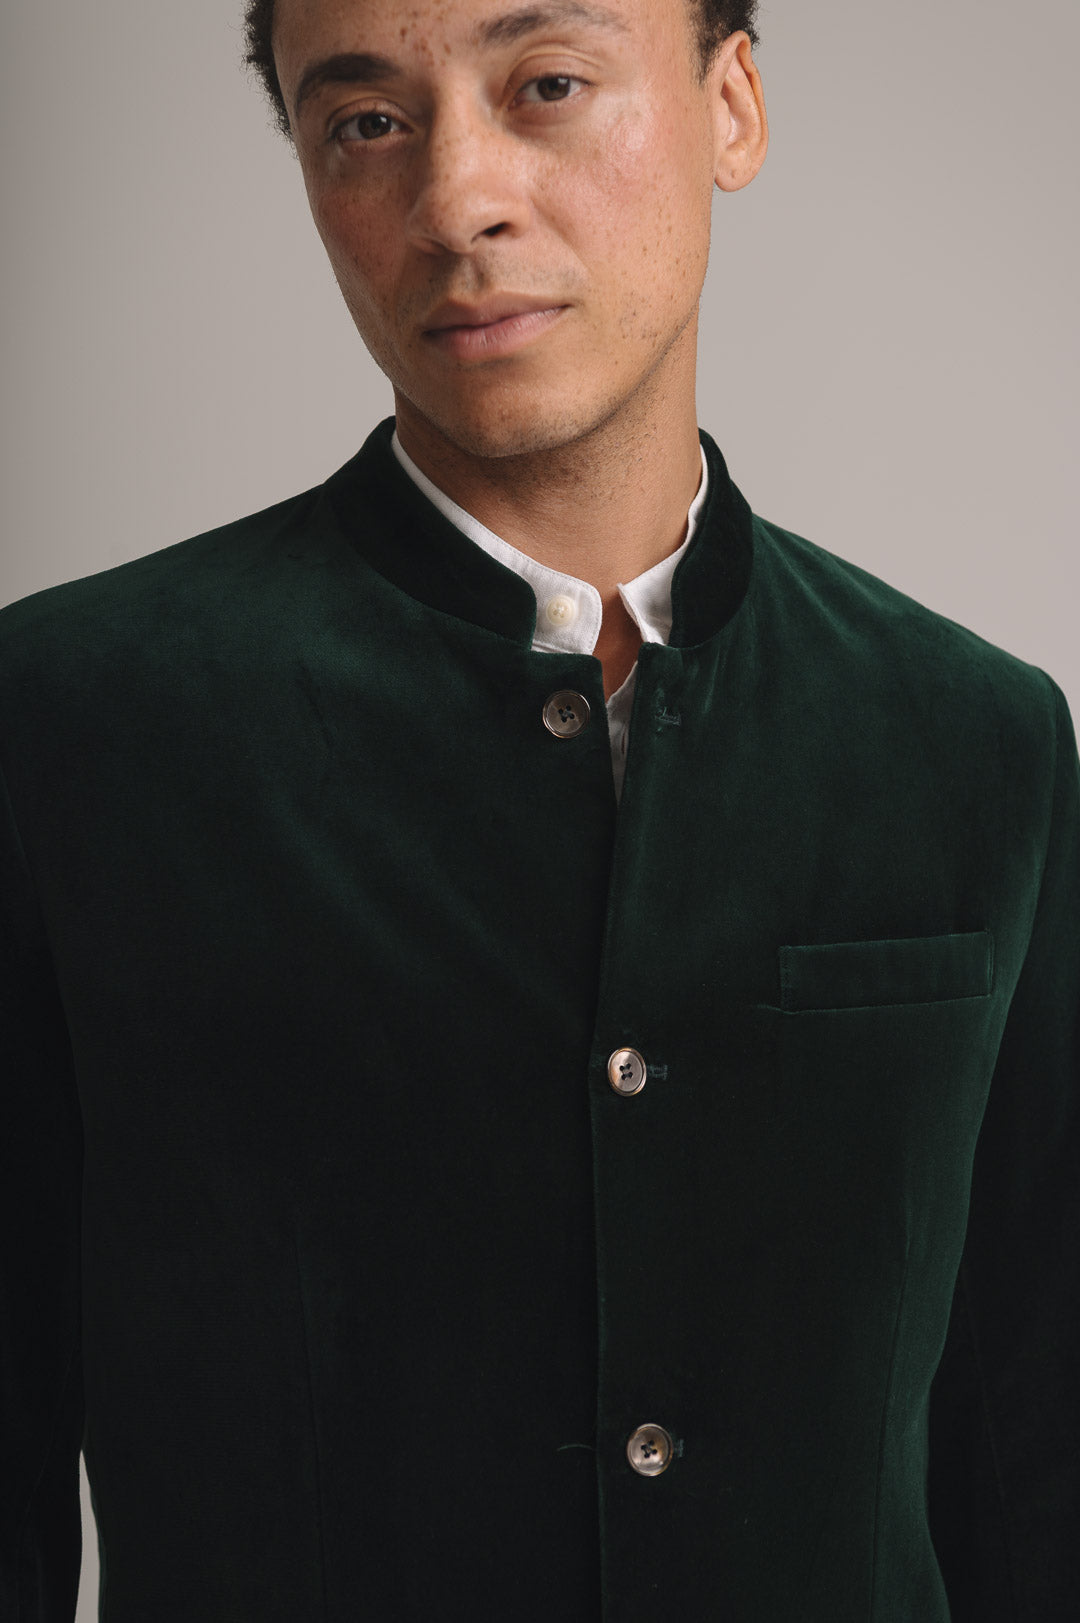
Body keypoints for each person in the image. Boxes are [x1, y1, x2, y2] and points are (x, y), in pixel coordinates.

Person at [1, 0, 1076, 1617]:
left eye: (549, 84)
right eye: (366, 122)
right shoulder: (68, 724)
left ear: (732, 106)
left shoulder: (978, 739)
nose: (455, 202)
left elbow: (1037, 1456)